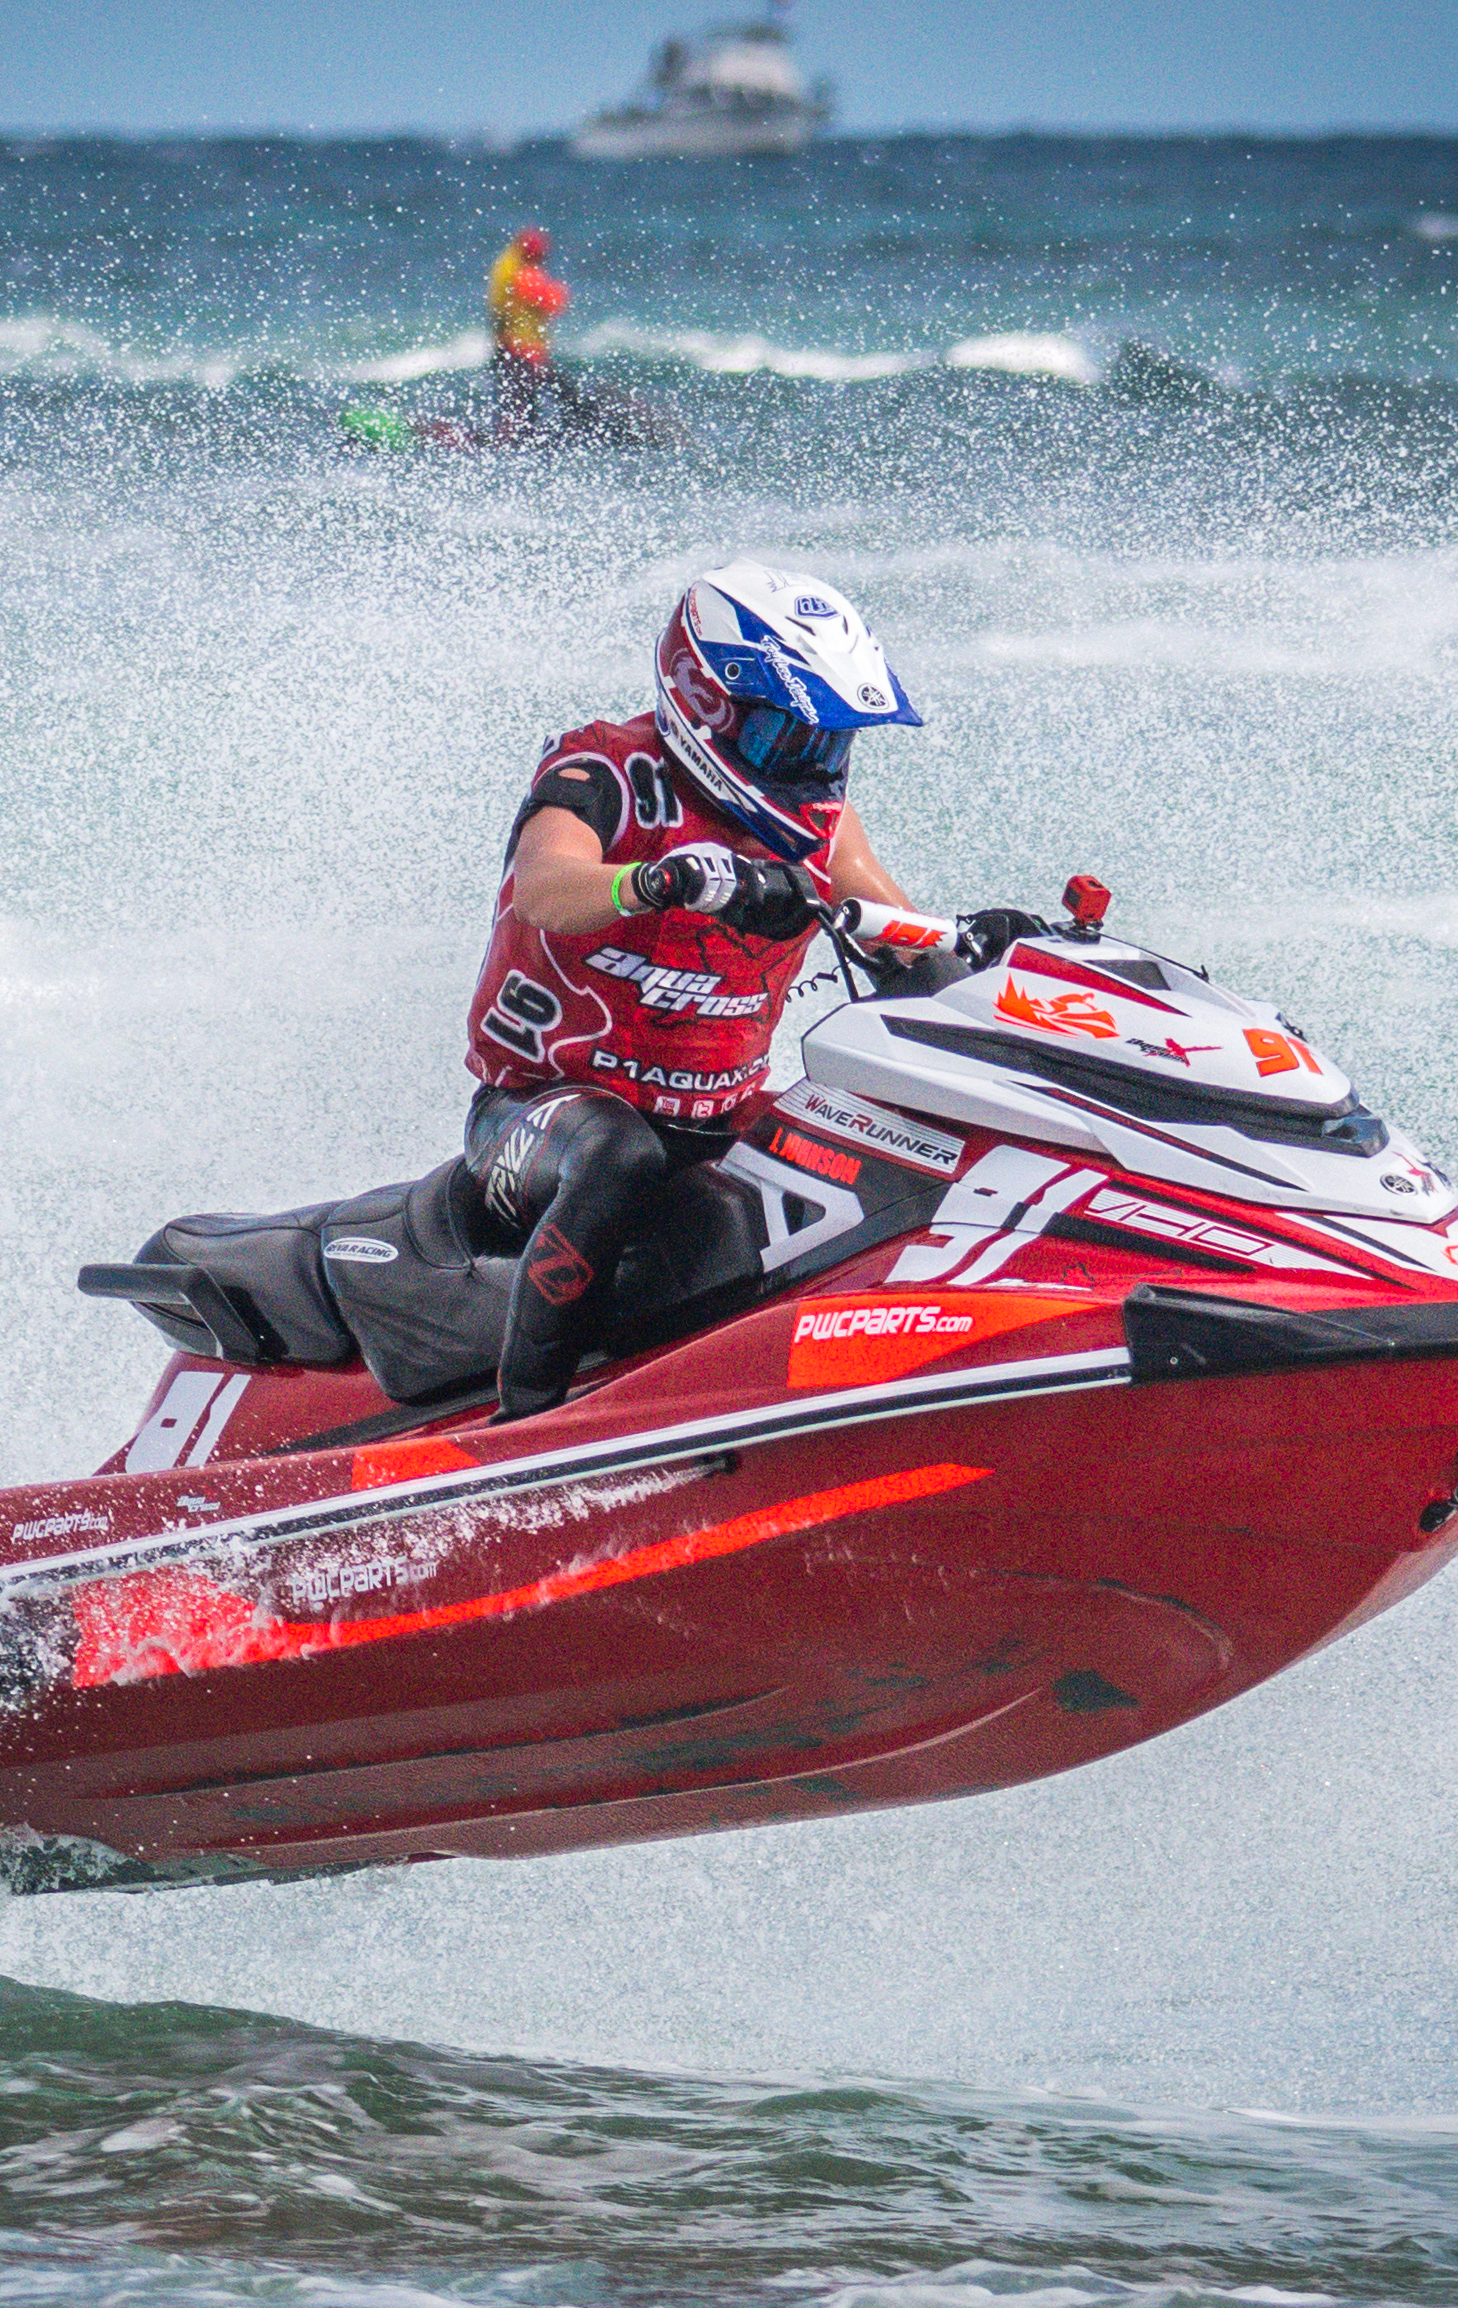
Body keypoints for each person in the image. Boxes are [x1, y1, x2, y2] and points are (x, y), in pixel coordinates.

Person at [460, 561, 934, 1419]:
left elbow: (900, 936)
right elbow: (545, 884)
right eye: (790, 739)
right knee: (618, 1156)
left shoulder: (824, 828)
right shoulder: (601, 772)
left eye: (830, 743)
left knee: (888, 1142)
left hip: (714, 1120)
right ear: (703, 697)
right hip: (535, 1114)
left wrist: (991, 951)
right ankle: (522, 1421)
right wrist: (657, 883)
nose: (813, 768)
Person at [485, 225, 573, 441]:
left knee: (518, 402)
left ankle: (515, 439)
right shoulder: (521, 273)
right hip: (522, 350)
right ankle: (516, 442)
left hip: (510, 348)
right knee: (525, 403)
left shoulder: (506, 267)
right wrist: (558, 290)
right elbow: (553, 302)